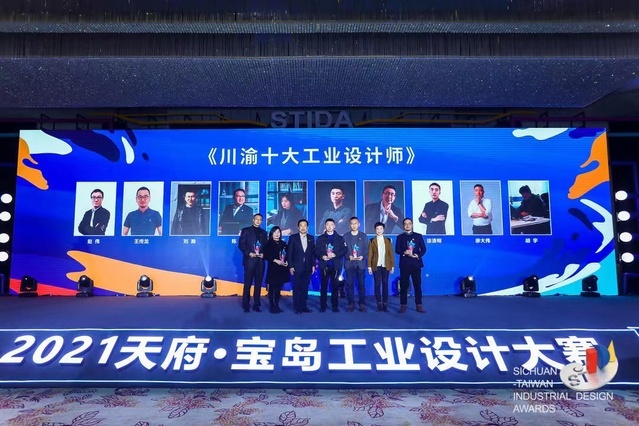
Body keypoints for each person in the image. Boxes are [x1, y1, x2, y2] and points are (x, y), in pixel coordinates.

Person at [314, 218, 347, 312]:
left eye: (331, 224)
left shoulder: (339, 238)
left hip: (335, 266)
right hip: (324, 266)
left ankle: (334, 306)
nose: (329, 226)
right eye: (327, 224)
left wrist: (335, 254)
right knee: (323, 287)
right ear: (325, 226)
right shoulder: (321, 238)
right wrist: (322, 256)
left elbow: (344, 250)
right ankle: (323, 306)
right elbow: (316, 250)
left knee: (335, 287)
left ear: (334, 226)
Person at [395, 218, 427, 313]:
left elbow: (423, 249)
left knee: (417, 285)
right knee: (404, 286)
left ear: (412, 225)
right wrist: (404, 252)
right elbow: (397, 250)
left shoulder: (418, 236)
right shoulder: (400, 237)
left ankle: (419, 304)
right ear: (403, 226)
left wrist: (418, 255)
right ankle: (403, 305)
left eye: (409, 223)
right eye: (405, 224)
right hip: (404, 264)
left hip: (416, 264)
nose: (407, 225)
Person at [238, 213, 268, 313]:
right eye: (256, 219)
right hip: (249, 261)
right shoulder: (246, 230)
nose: (258, 221)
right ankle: (246, 305)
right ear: (253, 220)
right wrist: (248, 253)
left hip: (260, 262)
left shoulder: (264, 233)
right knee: (247, 284)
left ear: (262, 221)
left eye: (260, 219)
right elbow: (241, 245)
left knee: (258, 284)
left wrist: (264, 254)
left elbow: (266, 247)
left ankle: (256, 304)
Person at [287, 219, 316, 314]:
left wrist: (313, 265)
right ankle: (297, 307)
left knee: (305, 287)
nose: (303, 227)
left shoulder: (311, 238)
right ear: (298, 227)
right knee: (297, 287)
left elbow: (312, 253)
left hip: (308, 267)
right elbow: (289, 253)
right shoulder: (293, 238)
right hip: (296, 267)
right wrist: (291, 266)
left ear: (307, 227)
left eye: (305, 226)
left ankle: (304, 306)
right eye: (301, 226)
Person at [343, 216, 369, 312]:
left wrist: (362, 256)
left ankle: (362, 303)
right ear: (349, 225)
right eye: (352, 223)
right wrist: (348, 256)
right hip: (349, 263)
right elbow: (343, 249)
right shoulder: (345, 236)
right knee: (349, 284)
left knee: (361, 284)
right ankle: (351, 303)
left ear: (359, 224)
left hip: (360, 263)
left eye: (355, 223)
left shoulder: (363, 236)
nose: (354, 225)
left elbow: (366, 249)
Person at [367, 222, 395, 312]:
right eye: (377, 229)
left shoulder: (388, 240)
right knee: (377, 284)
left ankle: (385, 303)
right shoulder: (372, 241)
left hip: (386, 265)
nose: (379, 230)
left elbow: (391, 254)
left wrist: (392, 266)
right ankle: (379, 302)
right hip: (376, 265)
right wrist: (369, 267)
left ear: (383, 230)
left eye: (381, 229)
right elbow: (370, 255)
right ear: (375, 230)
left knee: (385, 284)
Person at [263, 226, 289, 314]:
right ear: (272, 233)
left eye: (278, 232)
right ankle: (272, 305)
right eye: (275, 232)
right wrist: (275, 260)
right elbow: (266, 255)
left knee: (278, 288)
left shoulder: (283, 244)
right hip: (273, 269)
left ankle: (277, 304)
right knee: (272, 288)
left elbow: (287, 255)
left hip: (282, 269)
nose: (277, 234)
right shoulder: (268, 243)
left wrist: (287, 262)